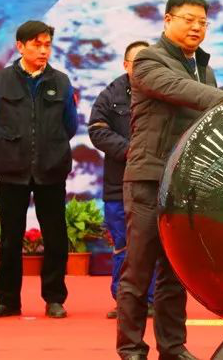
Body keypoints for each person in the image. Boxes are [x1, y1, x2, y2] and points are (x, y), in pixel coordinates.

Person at [116, 0, 223, 360]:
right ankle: (131, 347)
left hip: (184, 183)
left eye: (203, 22)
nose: (197, 27)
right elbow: (180, 90)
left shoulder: (205, 71)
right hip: (148, 179)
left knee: (175, 272)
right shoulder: (148, 60)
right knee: (138, 270)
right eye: (189, 19)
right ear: (167, 20)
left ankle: (173, 347)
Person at [0, 20, 78, 319]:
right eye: (37, 44)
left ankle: (54, 298)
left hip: (51, 169)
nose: (43, 50)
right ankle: (7, 301)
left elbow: (70, 124)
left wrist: (50, 145)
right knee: (10, 237)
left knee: (55, 236)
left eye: (47, 45)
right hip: (12, 169)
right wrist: (10, 147)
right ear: (20, 46)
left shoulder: (61, 82)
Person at [88, 40, 157, 319]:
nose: (141, 69)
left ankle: (151, 300)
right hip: (120, 184)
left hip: (153, 181)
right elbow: (96, 130)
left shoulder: (162, 90)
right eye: (136, 63)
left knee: (152, 244)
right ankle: (124, 300)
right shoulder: (110, 95)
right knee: (123, 245)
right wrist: (131, 151)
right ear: (125, 65)